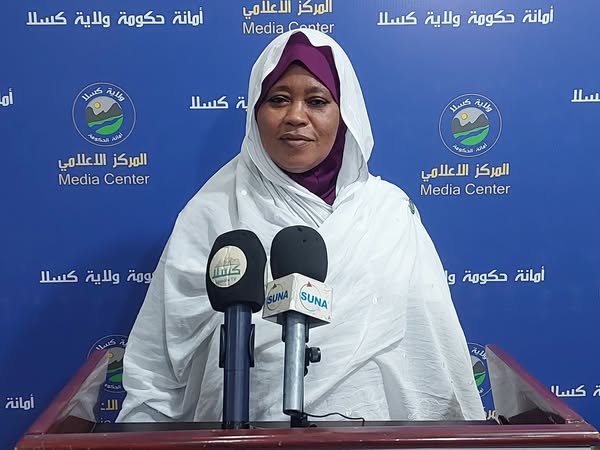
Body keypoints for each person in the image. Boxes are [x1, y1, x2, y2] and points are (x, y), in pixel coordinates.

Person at [117, 29, 484, 423]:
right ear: (255, 111)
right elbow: (161, 358)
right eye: (278, 99)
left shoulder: (390, 212)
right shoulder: (212, 211)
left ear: (346, 114)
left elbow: (432, 347)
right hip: (240, 436)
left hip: (373, 438)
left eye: (317, 101)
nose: (295, 116)